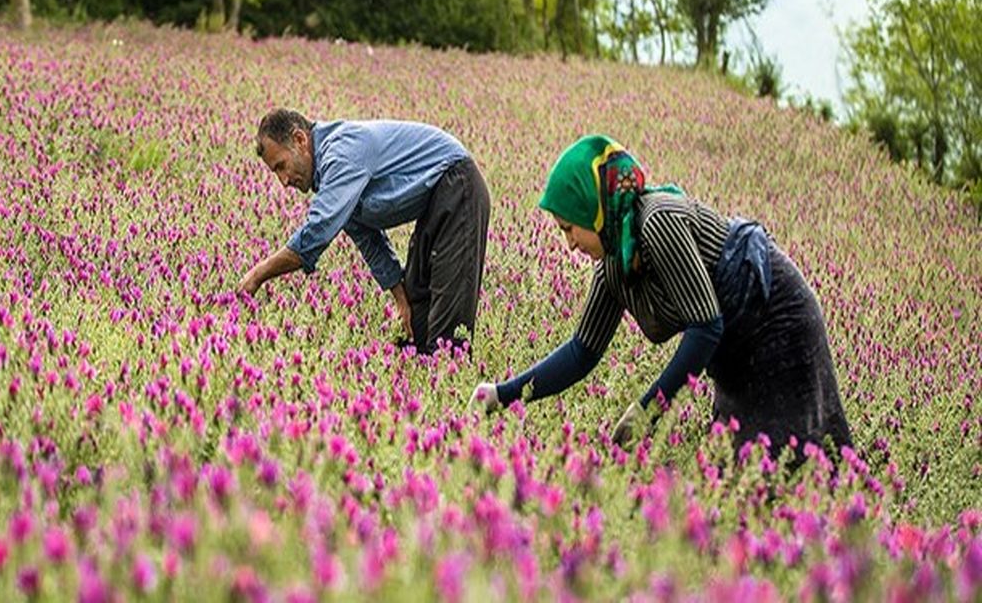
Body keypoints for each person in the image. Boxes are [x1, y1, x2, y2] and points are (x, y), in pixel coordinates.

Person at [470, 134, 852, 456]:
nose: (570, 245)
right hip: (734, 343)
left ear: (595, 211)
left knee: (793, 455)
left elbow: (705, 326)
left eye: (571, 229)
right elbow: (582, 351)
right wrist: (502, 395)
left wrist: (647, 411)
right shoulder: (615, 263)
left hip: (774, 319)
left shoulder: (657, 222)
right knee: (742, 463)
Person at [238, 109, 491, 354]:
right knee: (417, 327)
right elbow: (369, 240)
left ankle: (457, 391)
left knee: (448, 332)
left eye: (282, 166)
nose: (283, 181)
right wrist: (401, 298)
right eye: (275, 172)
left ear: (300, 139)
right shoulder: (329, 177)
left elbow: (318, 232)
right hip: (436, 203)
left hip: (458, 187)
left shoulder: (341, 152)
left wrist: (258, 275)